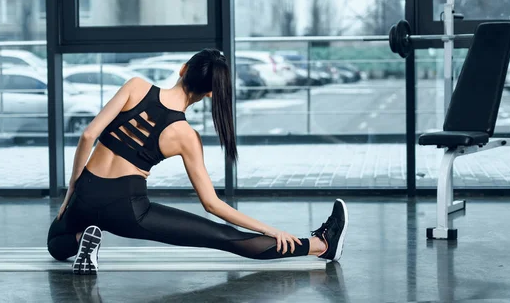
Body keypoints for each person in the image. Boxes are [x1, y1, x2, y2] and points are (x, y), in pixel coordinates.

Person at [47, 49, 349, 275]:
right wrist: (271, 229)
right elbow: (212, 205)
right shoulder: (185, 135)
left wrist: (73, 188)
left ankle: (82, 238)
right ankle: (321, 244)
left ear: (183, 69)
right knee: (225, 238)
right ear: (209, 94)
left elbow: (88, 136)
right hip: (128, 209)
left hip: (87, 191)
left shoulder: (135, 86)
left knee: (55, 242)